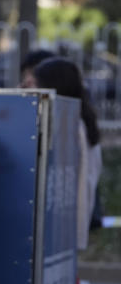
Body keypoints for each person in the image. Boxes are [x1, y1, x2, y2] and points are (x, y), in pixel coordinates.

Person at [32, 57, 103, 248]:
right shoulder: (84, 121)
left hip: (61, 224)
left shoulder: (70, 127)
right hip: (72, 222)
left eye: (36, 84)